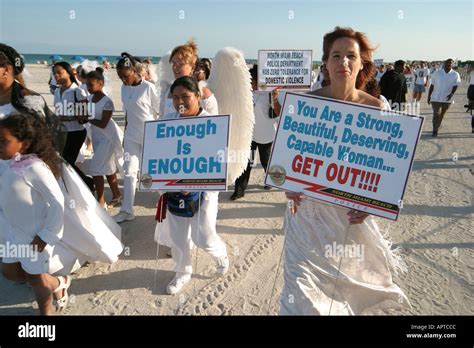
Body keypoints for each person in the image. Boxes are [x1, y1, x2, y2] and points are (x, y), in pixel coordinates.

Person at [280, 27, 410, 315]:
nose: (343, 63)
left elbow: (388, 171)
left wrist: (372, 205)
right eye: (336, 56)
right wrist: (288, 184)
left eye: (351, 56)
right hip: (307, 218)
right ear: (325, 63)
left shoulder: (378, 108)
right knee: (299, 295)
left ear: (362, 62)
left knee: (339, 296)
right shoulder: (306, 105)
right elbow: (288, 164)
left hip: (347, 220)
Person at [0, 113, 123, 315]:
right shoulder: (10, 164)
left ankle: (46, 315)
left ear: (25, 143)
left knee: (37, 281)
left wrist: (47, 235)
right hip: (14, 233)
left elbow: (58, 203)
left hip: (33, 238)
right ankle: (59, 282)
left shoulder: (36, 168)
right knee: (10, 272)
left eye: (4, 141)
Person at [154, 76, 229, 295]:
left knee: (203, 236)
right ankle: (182, 272)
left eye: (185, 96)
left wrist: (196, 184)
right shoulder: (166, 122)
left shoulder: (212, 124)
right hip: (173, 190)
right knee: (177, 238)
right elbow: (158, 156)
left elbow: (218, 160)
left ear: (197, 96)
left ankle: (220, 254)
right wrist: (168, 183)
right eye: (176, 97)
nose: (180, 102)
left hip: (205, 192)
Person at [113, 52, 160, 223]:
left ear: (134, 71)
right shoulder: (123, 88)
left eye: (125, 76)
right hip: (131, 137)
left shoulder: (148, 88)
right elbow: (127, 114)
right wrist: (125, 136)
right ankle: (127, 210)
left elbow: (159, 111)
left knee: (154, 172)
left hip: (150, 137)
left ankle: (165, 205)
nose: (123, 80)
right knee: (129, 172)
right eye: (119, 77)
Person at [231, 65, 281, 200]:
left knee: (266, 162)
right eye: (250, 80)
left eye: (253, 81)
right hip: (249, 134)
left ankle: (270, 181)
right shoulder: (245, 93)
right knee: (246, 163)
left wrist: (275, 98)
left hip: (266, 134)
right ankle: (239, 191)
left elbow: (278, 113)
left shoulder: (270, 93)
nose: (251, 83)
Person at [53, 61, 95, 191]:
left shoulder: (77, 91)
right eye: (54, 73)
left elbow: (85, 115)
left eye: (59, 72)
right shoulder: (57, 91)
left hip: (76, 132)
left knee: (67, 161)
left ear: (69, 73)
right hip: (61, 132)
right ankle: (72, 186)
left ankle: (87, 182)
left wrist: (66, 118)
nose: (56, 76)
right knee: (61, 161)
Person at [85, 68, 123, 209]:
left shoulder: (107, 101)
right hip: (96, 137)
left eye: (91, 84)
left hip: (108, 138)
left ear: (100, 84)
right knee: (107, 168)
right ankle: (117, 195)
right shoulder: (88, 99)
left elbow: (103, 123)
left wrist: (87, 118)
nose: (88, 87)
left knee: (95, 168)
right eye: (87, 84)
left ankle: (100, 201)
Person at [159, 39, 218, 118]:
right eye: (173, 63)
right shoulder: (167, 90)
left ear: (192, 67)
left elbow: (214, 123)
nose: (175, 67)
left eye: (180, 64)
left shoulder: (204, 93)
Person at [427, 58, 461, 137]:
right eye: (447, 63)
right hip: (436, 97)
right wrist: (429, 96)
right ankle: (435, 130)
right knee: (436, 113)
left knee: (442, 114)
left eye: (451, 63)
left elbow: (456, 85)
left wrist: (451, 94)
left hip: (447, 98)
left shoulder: (455, 74)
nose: (449, 64)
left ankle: (437, 126)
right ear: (444, 64)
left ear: (452, 65)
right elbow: (432, 85)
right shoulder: (437, 73)